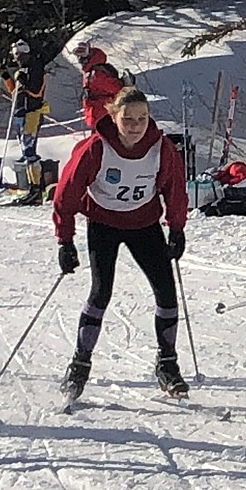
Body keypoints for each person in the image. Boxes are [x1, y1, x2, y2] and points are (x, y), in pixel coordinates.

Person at [52, 87, 190, 401]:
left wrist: (177, 228)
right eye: (128, 119)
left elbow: (175, 188)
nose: (135, 126)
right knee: (101, 291)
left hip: (144, 225)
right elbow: (67, 193)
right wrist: (66, 240)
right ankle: (80, 363)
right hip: (104, 224)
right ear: (114, 117)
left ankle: (167, 363)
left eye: (142, 118)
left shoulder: (161, 148)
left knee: (166, 292)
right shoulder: (97, 148)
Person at [0, 39, 48, 205]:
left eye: (19, 55)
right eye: (15, 56)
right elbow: (15, 91)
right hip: (20, 112)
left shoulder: (36, 67)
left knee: (30, 151)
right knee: (25, 152)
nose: (17, 59)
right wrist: (7, 77)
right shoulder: (21, 68)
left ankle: (36, 188)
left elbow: (36, 91)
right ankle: (30, 187)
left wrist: (24, 79)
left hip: (32, 112)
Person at [72, 41, 123, 130]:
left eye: (83, 53)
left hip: (102, 114)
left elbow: (116, 88)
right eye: (78, 54)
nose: (80, 58)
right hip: (95, 113)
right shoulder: (89, 71)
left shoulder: (97, 73)